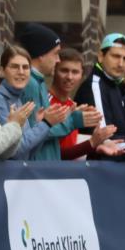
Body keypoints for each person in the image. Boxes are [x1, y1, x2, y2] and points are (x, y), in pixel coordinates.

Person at [14, 23, 100, 160]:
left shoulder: (37, 81)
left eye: (75, 72)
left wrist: (70, 115)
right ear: (41, 54)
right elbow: (37, 130)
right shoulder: (30, 83)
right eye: (55, 53)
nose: (57, 59)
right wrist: (74, 120)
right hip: (37, 166)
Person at [0, 44, 70, 160]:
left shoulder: (17, 98)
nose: (21, 72)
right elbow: (15, 151)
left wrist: (39, 124)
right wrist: (46, 124)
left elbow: (29, 153)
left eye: (25, 67)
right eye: (14, 67)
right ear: (2, 70)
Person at [49, 48, 122, 160]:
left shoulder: (72, 105)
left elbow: (68, 150)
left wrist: (98, 146)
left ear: (81, 75)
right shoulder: (45, 101)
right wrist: (92, 143)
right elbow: (49, 153)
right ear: (53, 71)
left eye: (75, 72)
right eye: (64, 70)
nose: (69, 77)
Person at [75, 32, 125, 131]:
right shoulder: (95, 86)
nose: (121, 64)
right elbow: (103, 135)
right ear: (101, 56)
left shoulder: (114, 83)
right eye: (116, 56)